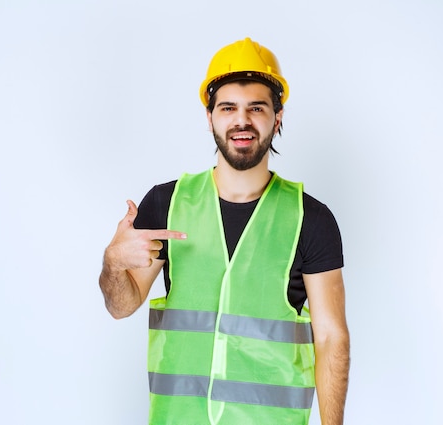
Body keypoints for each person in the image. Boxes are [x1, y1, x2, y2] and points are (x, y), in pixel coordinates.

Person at [99, 37, 350, 425]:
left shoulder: (310, 219)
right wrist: (113, 263)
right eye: (228, 107)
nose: (242, 120)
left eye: (257, 108)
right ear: (210, 117)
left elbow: (332, 339)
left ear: (277, 118)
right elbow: (121, 306)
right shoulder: (167, 204)